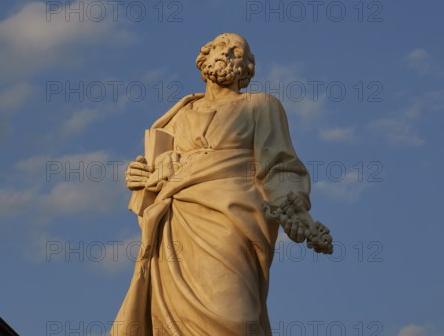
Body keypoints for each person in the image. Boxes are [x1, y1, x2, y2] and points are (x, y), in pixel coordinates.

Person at [113, 33, 332, 336]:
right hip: (177, 224)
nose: (227, 52)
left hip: (232, 221)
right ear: (203, 57)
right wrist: (141, 178)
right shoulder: (177, 118)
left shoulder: (261, 106)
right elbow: (154, 175)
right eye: (219, 46)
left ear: (247, 68)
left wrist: (294, 211)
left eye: (236, 51)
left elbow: (280, 165)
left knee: (234, 316)